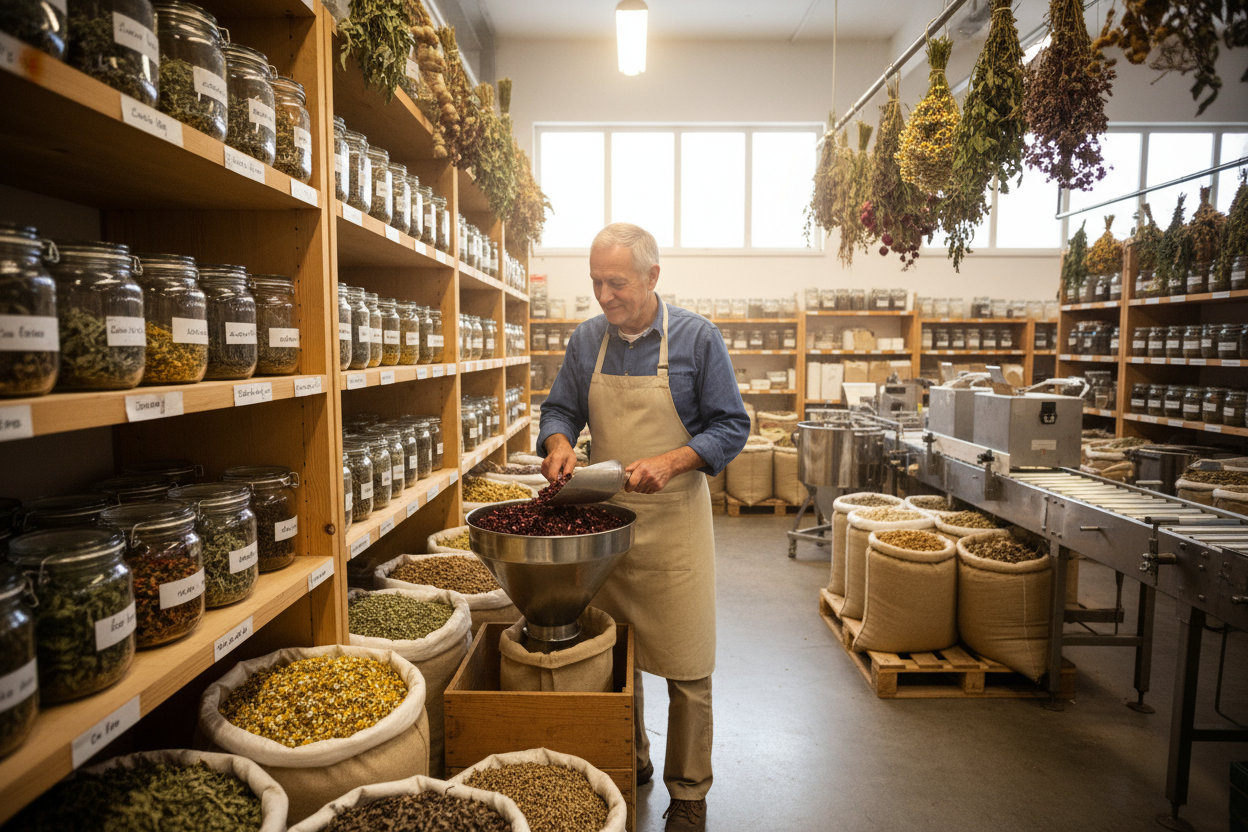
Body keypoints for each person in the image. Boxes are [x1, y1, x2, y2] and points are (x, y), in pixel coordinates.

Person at [538, 222, 750, 832]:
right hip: (606, 525)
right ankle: (630, 763)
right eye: (596, 282)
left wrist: (674, 460)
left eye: (617, 283)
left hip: (675, 525)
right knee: (614, 655)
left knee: (688, 664)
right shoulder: (587, 342)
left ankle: (689, 792)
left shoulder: (696, 339)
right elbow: (560, 409)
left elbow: (730, 425)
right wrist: (558, 443)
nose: (603, 296)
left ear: (653, 278)